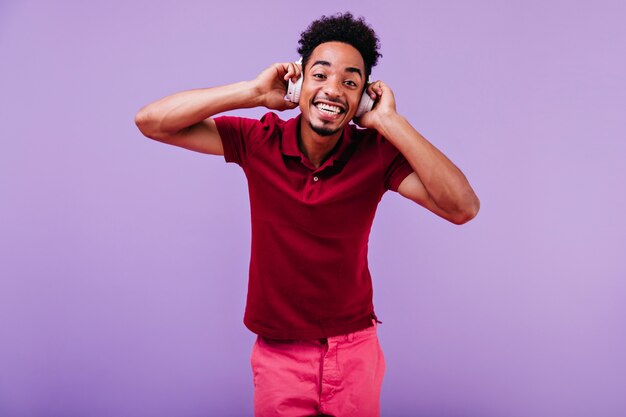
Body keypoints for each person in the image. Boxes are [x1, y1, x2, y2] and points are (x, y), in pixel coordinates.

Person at [135, 12, 479, 417]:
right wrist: (252, 92)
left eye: (350, 82)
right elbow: (152, 123)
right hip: (279, 355)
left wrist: (389, 122)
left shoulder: (376, 154)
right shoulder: (258, 140)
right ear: (297, 82)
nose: (333, 90)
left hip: (354, 350)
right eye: (320, 75)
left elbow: (462, 207)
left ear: (364, 97)